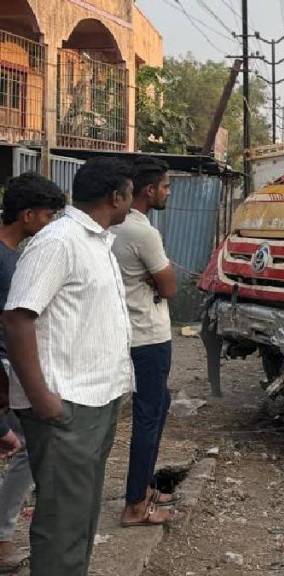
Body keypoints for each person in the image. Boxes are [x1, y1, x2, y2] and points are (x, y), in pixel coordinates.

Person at [3, 157, 134, 576]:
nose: (131, 204)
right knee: (62, 524)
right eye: (130, 195)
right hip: (67, 406)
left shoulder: (97, 242)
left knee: (81, 516)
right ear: (116, 197)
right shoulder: (59, 241)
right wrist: (43, 399)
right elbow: (18, 317)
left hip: (98, 399)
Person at [0, 172, 65, 571]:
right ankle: (3, 537)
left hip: (10, 369)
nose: (50, 225)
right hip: (4, 372)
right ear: (27, 215)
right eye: (47, 216)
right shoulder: (4, 259)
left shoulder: (18, 255)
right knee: (23, 449)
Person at [111, 157, 178, 527]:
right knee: (149, 416)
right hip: (149, 337)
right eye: (166, 186)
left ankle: (144, 486)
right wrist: (157, 280)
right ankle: (135, 505)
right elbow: (169, 286)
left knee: (157, 405)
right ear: (149, 190)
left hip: (127, 332)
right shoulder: (142, 233)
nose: (168, 192)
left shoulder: (113, 227)